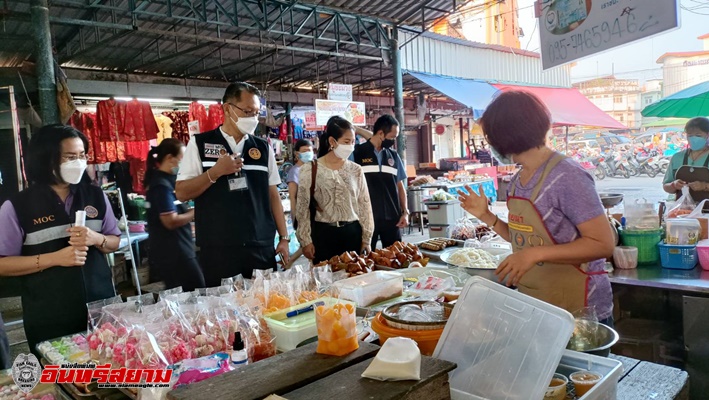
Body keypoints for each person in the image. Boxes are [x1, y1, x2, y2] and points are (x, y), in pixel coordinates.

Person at [457, 91, 615, 326]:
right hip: (538, 306)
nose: (490, 144)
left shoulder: (567, 175)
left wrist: (535, 255)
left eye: (490, 136)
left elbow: (603, 243)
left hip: (580, 314)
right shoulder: (518, 179)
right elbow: (524, 241)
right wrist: (487, 216)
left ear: (506, 135)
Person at [0, 125, 121, 355]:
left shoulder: (95, 195)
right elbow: (3, 264)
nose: (79, 162)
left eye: (82, 155)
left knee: (107, 374)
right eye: (70, 157)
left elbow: (115, 240)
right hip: (49, 314)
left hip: (100, 308)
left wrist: (96, 238)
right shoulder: (17, 207)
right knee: (62, 379)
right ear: (46, 159)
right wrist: (56, 258)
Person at [175, 82, 290, 286]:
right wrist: (215, 172)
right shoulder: (200, 144)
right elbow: (182, 192)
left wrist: (284, 238)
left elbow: (273, 195)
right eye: (247, 111)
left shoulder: (262, 148)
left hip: (260, 245)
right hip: (219, 248)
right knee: (225, 312)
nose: (253, 118)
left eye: (256, 113)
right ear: (227, 109)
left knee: (264, 305)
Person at [296, 116, 374, 264]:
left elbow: (365, 204)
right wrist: (305, 240)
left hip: (352, 233)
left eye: (352, 142)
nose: (351, 146)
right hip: (323, 235)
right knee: (325, 281)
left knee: (354, 280)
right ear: (332, 141)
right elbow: (302, 207)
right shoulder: (310, 169)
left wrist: (367, 238)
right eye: (346, 142)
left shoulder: (355, 170)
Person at [145, 139, 205, 291]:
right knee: (195, 290)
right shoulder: (160, 186)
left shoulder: (171, 181)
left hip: (181, 247)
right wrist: (195, 213)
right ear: (170, 158)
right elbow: (170, 221)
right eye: (182, 159)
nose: (184, 163)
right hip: (173, 252)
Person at [352, 115, 409, 249]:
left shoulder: (393, 156)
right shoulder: (357, 153)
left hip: (392, 219)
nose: (394, 141)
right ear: (380, 133)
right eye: (392, 137)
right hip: (366, 219)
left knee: (396, 259)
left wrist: (405, 212)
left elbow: (400, 187)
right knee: (365, 261)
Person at [663, 117, 709, 201]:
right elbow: (666, 186)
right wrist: (674, 185)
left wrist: (704, 186)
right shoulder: (677, 157)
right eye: (690, 135)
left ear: (707, 135)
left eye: (698, 135)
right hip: (682, 211)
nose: (694, 138)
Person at [287, 139, 314, 229]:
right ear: (297, 153)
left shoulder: (315, 169)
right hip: (303, 216)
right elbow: (293, 197)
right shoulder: (295, 172)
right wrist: (295, 220)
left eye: (309, 150)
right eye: (304, 151)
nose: (307, 153)